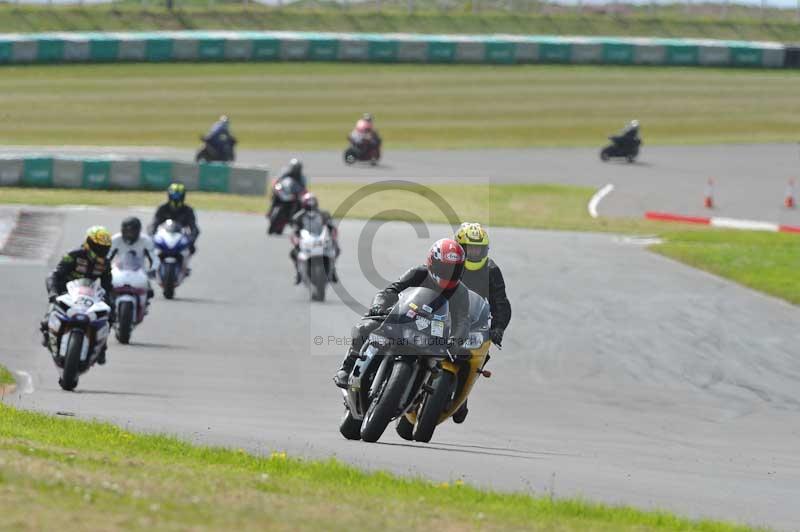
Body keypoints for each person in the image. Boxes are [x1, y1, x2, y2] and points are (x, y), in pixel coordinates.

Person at [333, 238, 469, 389]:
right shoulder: (418, 273)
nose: (449, 274)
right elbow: (390, 291)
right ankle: (347, 367)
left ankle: (426, 399)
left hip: (434, 332)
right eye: (445, 269)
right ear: (432, 263)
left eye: (454, 269)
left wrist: (455, 340)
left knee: (457, 362)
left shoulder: (461, 292)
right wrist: (379, 306)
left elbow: (462, 320)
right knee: (365, 328)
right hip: (405, 317)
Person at [451, 222, 512, 423]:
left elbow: (501, 303)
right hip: (444, 316)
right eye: (470, 249)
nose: (475, 253)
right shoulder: (449, 261)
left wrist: (498, 328)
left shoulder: (491, 270)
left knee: (479, 355)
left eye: (479, 249)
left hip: (474, 322)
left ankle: (462, 393)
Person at [40, 226, 114, 364]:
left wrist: (110, 302)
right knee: (46, 320)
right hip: (66, 292)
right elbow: (55, 275)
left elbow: (107, 286)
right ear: (88, 243)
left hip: (90, 294)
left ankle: (102, 346)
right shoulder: (73, 255)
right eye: (97, 247)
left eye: (104, 248)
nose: (101, 251)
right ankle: (47, 333)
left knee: (109, 316)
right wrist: (53, 293)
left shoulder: (105, 264)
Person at [289, 192, 340, 285]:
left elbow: (332, 228)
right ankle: (299, 273)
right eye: (309, 202)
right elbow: (294, 232)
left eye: (312, 202)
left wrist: (333, 237)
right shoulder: (298, 217)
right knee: (293, 253)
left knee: (336, 249)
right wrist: (296, 241)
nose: (311, 204)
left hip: (321, 239)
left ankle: (332, 271)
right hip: (305, 240)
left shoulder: (324, 214)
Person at [108, 217, 159, 304]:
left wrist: (153, 269)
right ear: (122, 230)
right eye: (127, 231)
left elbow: (154, 258)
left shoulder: (146, 240)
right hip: (118, 269)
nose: (129, 234)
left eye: (132, 232)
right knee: (106, 289)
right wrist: (104, 268)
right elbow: (107, 256)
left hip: (140, 271)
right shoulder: (115, 239)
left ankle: (144, 303)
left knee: (150, 292)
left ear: (138, 231)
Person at [149, 183, 200, 256]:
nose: (176, 198)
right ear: (169, 195)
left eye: (178, 195)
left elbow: (194, 227)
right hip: (164, 237)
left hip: (181, 238)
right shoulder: (162, 208)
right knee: (151, 250)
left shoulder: (188, 210)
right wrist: (152, 236)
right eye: (174, 195)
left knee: (191, 249)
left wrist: (191, 240)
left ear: (183, 196)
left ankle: (183, 267)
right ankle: (155, 266)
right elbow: (154, 224)